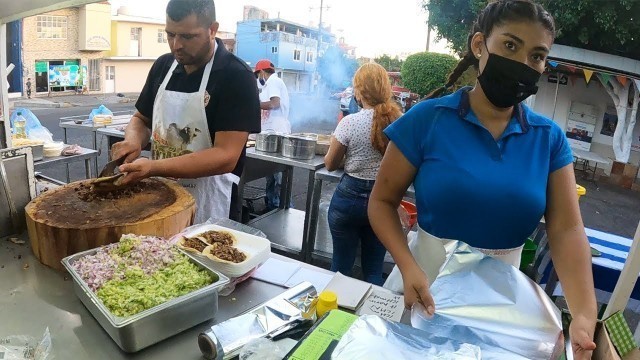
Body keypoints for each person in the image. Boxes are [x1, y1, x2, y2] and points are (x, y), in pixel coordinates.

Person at [367, 1, 597, 358]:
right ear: (479, 45)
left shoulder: (548, 138)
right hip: (422, 290)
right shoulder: (428, 119)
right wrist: (406, 265)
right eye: (510, 45)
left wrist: (584, 313)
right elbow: (381, 202)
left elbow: (567, 230)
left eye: (536, 55)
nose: (523, 63)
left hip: (504, 312)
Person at [112, 0, 260, 224]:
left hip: (210, 200)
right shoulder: (163, 66)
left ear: (212, 29)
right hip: (160, 193)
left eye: (188, 36)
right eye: (170, 35)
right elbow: (141, 119)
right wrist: (133, 141)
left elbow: (226, 156)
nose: (176, 45)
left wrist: (153, 167)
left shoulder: (236, 76)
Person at [324, 63, 403, 285]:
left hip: (348, 199)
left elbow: (330, 164)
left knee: (340, 268)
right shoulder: (399, 121)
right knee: (374, 270)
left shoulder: (350, 122)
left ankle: (333, 314)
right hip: (383, 201)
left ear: (359, 91)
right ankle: (372, 316)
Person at [254, 59, 291, 210]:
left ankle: (281, 208)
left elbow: (274, 104)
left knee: (277, 176)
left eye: (258, 75)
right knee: (271, 174)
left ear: (262, 72)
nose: (258, 79)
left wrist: (252, 104)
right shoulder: (269, 85)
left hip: (277, 132)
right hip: (270, 133)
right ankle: (271, 206)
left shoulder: (273, 81)